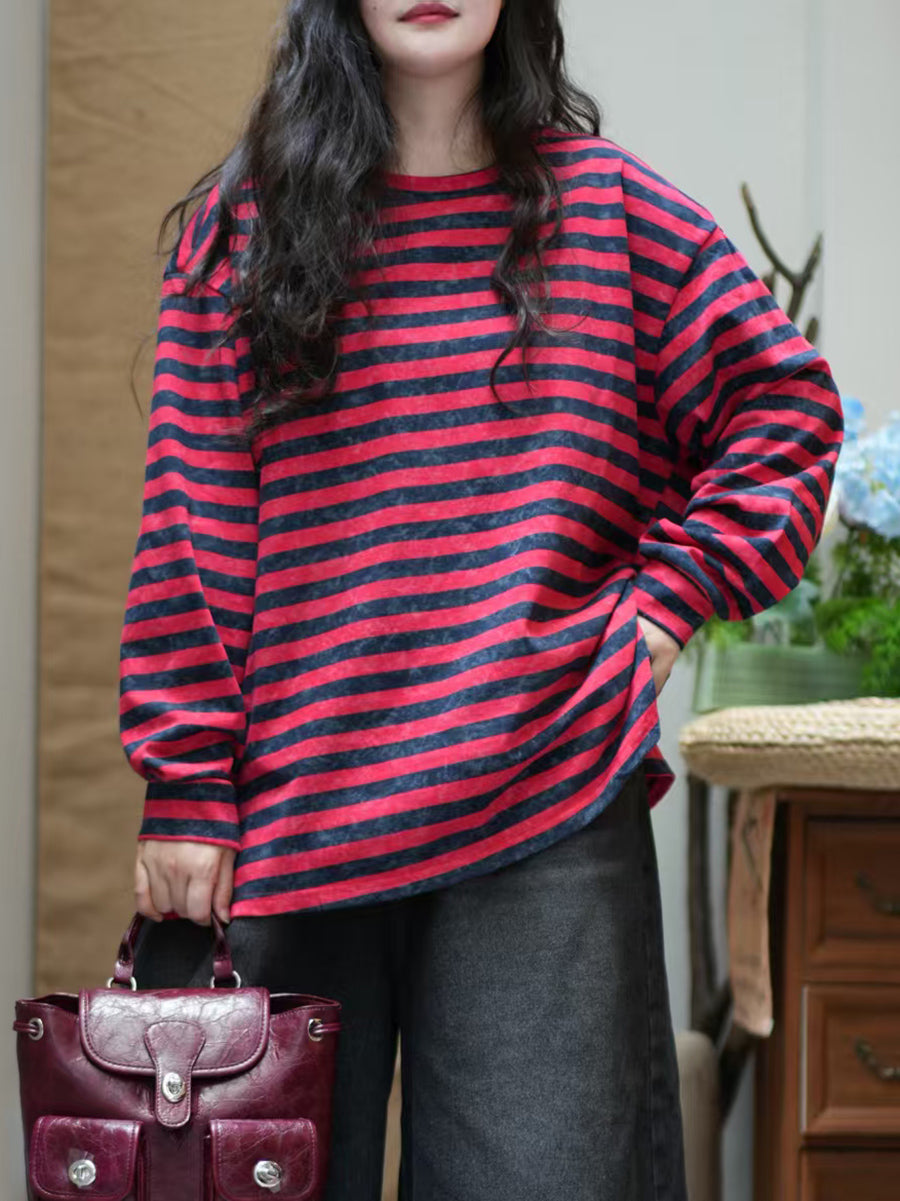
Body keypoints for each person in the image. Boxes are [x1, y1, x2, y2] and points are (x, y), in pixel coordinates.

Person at [120, 2, 844, 1198]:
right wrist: (187, 778)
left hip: (542, 811)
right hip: (292, 824)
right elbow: (193, 521)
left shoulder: (611, 214)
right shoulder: (244, 227)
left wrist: (663, 608)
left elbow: (786, 413)